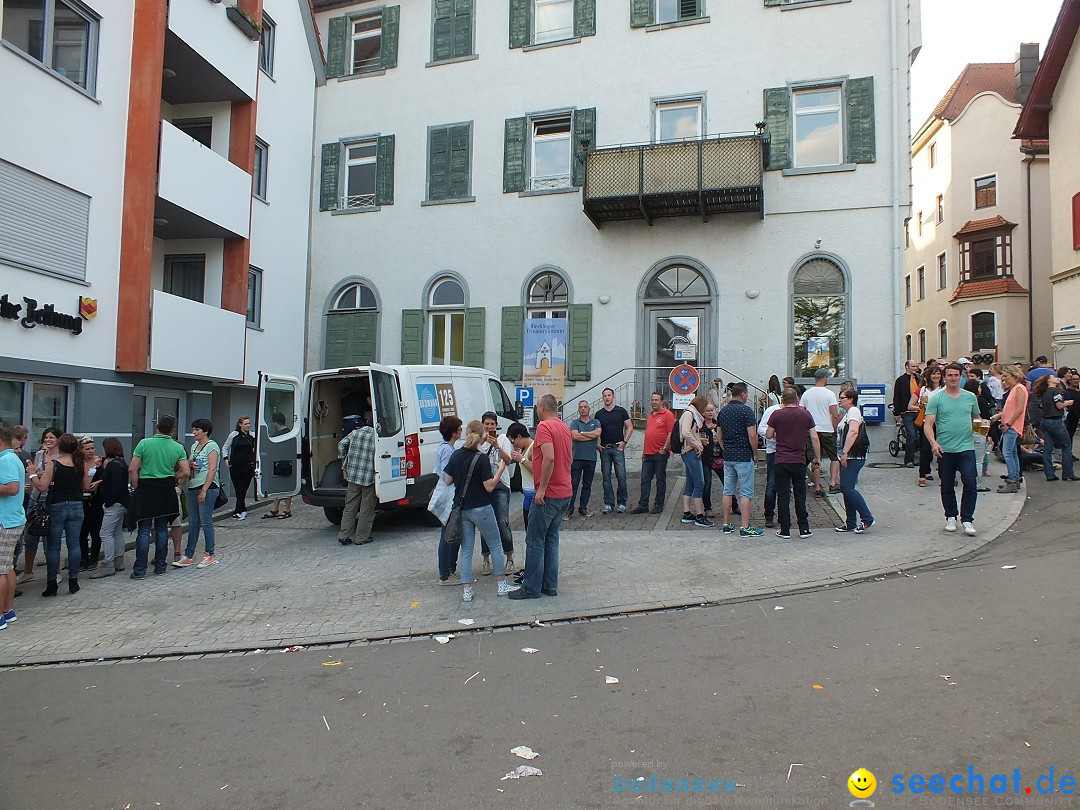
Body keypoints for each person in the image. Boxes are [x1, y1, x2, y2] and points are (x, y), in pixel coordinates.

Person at [444, 420, 518, 602]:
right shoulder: (481, 458)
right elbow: (490, 487)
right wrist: (500, 470)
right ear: (481, 436)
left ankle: (467, 590)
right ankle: (501, 584)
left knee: (467, 549)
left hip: (462, 509)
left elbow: (447, 480)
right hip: (481, 508)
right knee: (495, 544)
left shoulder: (456, 455)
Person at [510, 394, 571, 599]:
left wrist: (542, 489)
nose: (536, 410)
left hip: (550, 493)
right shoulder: (563, 426)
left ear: (542, 407)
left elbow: (550, 457)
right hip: (564, 491)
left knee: (535, 540)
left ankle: (531, 587)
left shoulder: (545, 427)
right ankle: (549, 585)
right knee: (551, 539)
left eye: (537, 407)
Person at [27, 433, 92, 596]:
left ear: (60, 447)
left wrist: (33, 474)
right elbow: (86, 486)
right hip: (76, 504)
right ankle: (73, 580)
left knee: (54, 546)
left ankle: (52, 583)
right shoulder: (80, 463)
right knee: (74, 543)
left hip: (57, 505)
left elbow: (42, 487)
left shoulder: (53, 464)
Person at [129, 415, 189, 579]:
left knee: (144, 530)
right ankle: (161, 565)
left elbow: (132, 469)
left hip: (146, 487)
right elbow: (186, 471)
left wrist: (137, 487)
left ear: (157, 428)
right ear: (172, 430)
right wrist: (173, 476)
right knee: (162, 528)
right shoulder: (177, 447)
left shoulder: (144, 443)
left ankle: (140, 570)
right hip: (166, 488)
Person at [924, 363, 981, 536]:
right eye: (950, 375)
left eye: (956, 375)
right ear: (944, 377)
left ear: (960, 376)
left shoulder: (970, 397)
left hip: (966, 447)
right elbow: (928, 424)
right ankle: (950, 516)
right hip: (945, 448)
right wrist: (934, 443)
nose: (953, 378)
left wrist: (984, 432)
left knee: (970, 482)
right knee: (947, 484)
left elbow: (977, 418)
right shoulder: (937, 399)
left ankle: (967, 519)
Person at [767, 389, 821, 539]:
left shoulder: (776, 414)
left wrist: (781, 433)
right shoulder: (805, 414)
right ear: (797, 399)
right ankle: (804, 528)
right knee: (800, 493)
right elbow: (814, 437)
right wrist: (817, 457)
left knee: (783, 494)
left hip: (782, 459)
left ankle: (785, 529)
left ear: (783, 400)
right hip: (799, 460)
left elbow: (769, 434)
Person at [174, 419, 222, 569]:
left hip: (207, 487)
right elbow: (190, 462)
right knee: (193, 523)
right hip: (193, 485)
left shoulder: (212, 446)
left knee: (206, 521)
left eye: (197, 429)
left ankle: (210, 554)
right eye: (194, 429)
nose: (194, 432)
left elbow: (212, 469)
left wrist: (204, 490)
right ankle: (188, 555)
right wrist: (190, 465)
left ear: (205, 431)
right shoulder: (195, 446)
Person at [717, 383, 762, 536]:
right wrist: (755, 453)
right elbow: (752, 435)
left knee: (728, 490)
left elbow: (719, 436)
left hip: (728, 456)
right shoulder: (746, 411)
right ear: (743, 394)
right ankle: (745, 526)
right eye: (747, 394)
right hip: (743, 455)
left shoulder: (723, 412)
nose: (747, 396)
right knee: (746, 492)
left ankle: (726, 523)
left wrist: (725, 449)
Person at [18, 426, 61, 583]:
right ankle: (28, 572)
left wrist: (45, 476)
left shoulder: (61, 457)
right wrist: (35, 475)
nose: (48, 440)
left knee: (50, 540)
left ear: (58, 440)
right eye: (46, 437)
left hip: (51, 499)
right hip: (36, 498)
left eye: (52, 437)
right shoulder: (40, 454)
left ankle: (54, 572)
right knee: (30, 538)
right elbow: (33, 474)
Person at [478, 413, 516, 572]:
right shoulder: (479, 441)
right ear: (482, 425)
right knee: (484, 522)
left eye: (492, 424)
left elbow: (508, 461)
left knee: (502, 521)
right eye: (487, 424)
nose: (489, 427)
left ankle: (509, 557)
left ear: (497, 425)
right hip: (483, 485)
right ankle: (486, 559)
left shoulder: (503, 440)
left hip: (500, 485)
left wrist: (497, 446)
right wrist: (481, 441)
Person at [834, 389, 874, 533]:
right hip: (848, 456)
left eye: (842, 398)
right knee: (846, 488)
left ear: (851, 399)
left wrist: (845, 452)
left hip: (853, 456)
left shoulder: (853, 412)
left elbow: (853, 431)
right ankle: (850, 522)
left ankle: (867, 518)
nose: (840, 401)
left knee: (847, 488)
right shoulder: (848, 413)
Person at [89, 437, 129, 578]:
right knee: (117, 532)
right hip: (120, 503)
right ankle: (119, 560)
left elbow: (115, 486)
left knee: (105, 532)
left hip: (114, 503)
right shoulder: (120, 463)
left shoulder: (115, 465)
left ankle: (108, 563)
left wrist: (108, 503)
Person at [630, 392, 674, 515]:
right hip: (648, 452)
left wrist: (665, 448)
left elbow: (670, 433)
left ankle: (658, 504)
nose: (654, 402)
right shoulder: (650, 415)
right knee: (645, 479)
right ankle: (643, 504)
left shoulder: (668, 415)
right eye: (652, 400)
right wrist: (644, 451)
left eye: (656, 400)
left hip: (660, 452)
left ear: (662, 402)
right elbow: (648, 434)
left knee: (660, 479)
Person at [337, 418, 378, 547]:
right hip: (369, 476)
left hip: (353, 474)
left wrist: (344, 461)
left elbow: (341, 444)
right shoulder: (376, 436)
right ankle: (361, 537)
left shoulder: (355, 433)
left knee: (350, 506)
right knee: (367, 507)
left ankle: (344, 535)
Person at [800, 368, 841, 495]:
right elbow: (835, 414)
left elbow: (801, 412)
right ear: (824, 378)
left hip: (811, 430)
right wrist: (834, 429)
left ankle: (817, 486)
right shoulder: (829, 394)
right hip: (826, 429)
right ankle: (833, 483)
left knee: (815, 458)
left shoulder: (806, 394)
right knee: (834, 457)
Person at [0, 427, 25, 628]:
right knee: (7, 567)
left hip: (5, 520)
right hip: (12, 519)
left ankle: (1, 615)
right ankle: (8, 611)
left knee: (1, 570)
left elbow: (12, 488)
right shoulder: (13, 458)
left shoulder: (5, 460)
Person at [676, 395, 713, 528]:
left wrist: (699, 441)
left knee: (691, 483)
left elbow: (690, 433)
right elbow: (686, 433)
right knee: (700, 483)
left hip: (689, 450)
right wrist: (697, 444)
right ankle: (700, 515)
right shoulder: (690, 414)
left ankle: (687, 513)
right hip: (690, 451)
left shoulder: (690, 414)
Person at [990, 365, 1028, 493]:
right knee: (1012, 453)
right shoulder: (1016, 389)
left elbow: (1019, 408)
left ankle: (1012, 479)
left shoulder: (1019, 389)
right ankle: (1015, 478)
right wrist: (1000, 416)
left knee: (1007, 453)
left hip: (1012, 426)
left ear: (1015, 376)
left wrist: (1009, 423)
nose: (1003, 380)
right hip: (1011, 425)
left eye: (1006, 376)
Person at [595, 388, 632, 514]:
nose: (607, 397)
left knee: (621, 476)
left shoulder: (621, 411)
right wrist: (597, 444)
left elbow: (630, 427)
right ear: (602, 398)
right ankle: (608, 503)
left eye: (609, 395)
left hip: (618, 448)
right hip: (605, 449)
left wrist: (624, 442)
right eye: (604, 395)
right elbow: (595, 431)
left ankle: (622, 503)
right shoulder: (599, 414)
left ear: (613, 397)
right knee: (606, 478)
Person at [435, 416, 463, 584]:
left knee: (449, 534)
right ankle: (444, 574)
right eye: (459, 429)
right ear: (453, 433)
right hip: (448, 495)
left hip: (450, 494)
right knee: (446, 535)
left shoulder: (446, 448)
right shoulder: (447, 450)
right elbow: (447, 477)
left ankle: (449, 570)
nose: (461, 431)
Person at [1035, 375, 1077, 481]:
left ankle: (1050, 474)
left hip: (1045, 420)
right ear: (1049, 380)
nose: (1056, 378)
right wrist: (1067, 403)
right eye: (1054, 377)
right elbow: (1059, 406)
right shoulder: (1056, 392)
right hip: (1055, 421)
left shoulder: (1044, 393)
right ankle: (1068, 473)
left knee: (1047, 449)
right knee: (1066, 446)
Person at [567, 400, 601, 520]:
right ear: (578, 409)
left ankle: (583, 508)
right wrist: (589, 435)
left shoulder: (595, 422)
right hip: (577, 458)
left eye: (585, 407)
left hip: (591, 458)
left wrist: (583, 433)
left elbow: (597, 434)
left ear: (589, 409)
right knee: (573, 485)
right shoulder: (575, 422)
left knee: (587, 485)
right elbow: (574, 436)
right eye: (581, 407)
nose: (583, 409)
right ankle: (569, 509)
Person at [911, 366, 943, 487]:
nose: (936, 376)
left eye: (938, 374)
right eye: (934, 374)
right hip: (927, 421)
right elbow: (916, 406)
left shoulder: (944, 389)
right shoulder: (924, 389)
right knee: (925, 450)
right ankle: (922, 474)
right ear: (929, 376)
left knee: (943, 449)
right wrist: (921, 405)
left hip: (941, 422)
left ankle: (943, 475)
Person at [222, 416, 256, 520]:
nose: (248, 426)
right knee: (238, 489)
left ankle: (238, 511)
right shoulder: (234, 435)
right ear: (240, 425)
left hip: (248, 466)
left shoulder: (253, 436)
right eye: (246, 424)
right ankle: (243, 509)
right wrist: (226, 459)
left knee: (242, 488)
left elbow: (256, 449)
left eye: (249, 423)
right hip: (235, 466)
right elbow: (225, 447)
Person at [77, 436, 103, 572]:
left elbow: (106, 478)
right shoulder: (78, 463)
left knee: (95, 530)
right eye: (87, 449)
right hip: (81, 498)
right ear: (81, 450)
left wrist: (98, 482)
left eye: (92, 448)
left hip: (96, 499)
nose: (91, 451)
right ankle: (83, 558)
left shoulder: (99, 461)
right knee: (82, 531)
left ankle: (94, 557)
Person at [263, 412, 293, 520]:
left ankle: (287, 510)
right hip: (280, 462)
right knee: (279, 485)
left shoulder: (285, 433)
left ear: (276, 422)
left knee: (287, 485)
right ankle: (275, 509)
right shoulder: (286, 432)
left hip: (284, 462)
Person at [758, 400, 782, 529]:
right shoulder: (772, 410)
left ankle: (783, 514)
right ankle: (769, 515)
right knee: (772, 485)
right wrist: (773, 435)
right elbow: (761, 429)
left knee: (786, 487)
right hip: (774, 451)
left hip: (789, 453)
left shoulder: (797, 411)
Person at [893, 359, 922, 468]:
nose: (915, 368)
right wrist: (897, 412)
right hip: (907, 412)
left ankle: (920, 457)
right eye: (913, 366)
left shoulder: (919, 379)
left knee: (921, 436)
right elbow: (897, 396)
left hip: (919, 411)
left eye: (916, 366)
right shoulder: (901, 380)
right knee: (911, 435)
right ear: (907, 367)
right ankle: (909, 459)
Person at [508, 422, 535, 529]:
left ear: (519, 436)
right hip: (527, 493)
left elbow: (536, 470)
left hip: (533, 493)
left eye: (513, 441)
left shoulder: (533, 447)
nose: (513, 444)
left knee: (531, 530)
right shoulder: (525, 449)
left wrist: (522, 459)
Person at [699, 403, 718, 517]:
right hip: (706, 458)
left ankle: (734, 505)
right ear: (703, 413)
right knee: (707, 483)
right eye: (707, 411)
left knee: (727, 482)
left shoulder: (718, 424)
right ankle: (707, 507)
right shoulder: (701, 426)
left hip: (718, 457)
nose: (710, 413)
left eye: (712, 410)